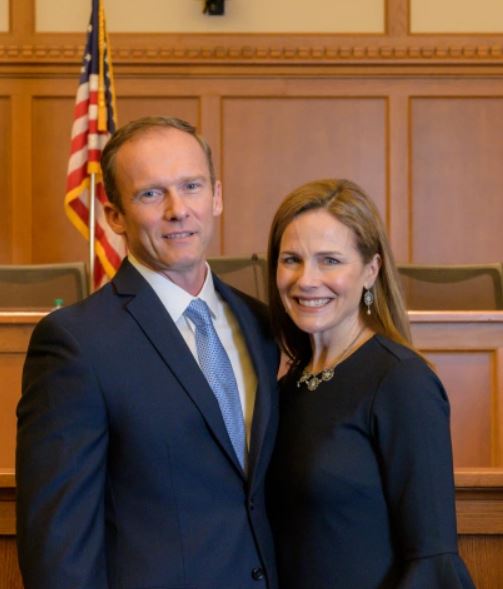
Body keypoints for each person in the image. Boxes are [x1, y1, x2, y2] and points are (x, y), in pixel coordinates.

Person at [16, 116, 279, 589]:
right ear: (115, 215)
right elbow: (58, 545)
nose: (179, 210)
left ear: (216, 195)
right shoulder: (76, 344)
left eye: (192, 186)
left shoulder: (263, 326)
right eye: (151, 194)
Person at [266, 178, 475, 588]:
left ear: (371, 270)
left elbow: (431, 558)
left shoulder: (401, 382)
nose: (306, 280)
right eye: (291, 259)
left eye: (330, 260)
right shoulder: (287, 388)